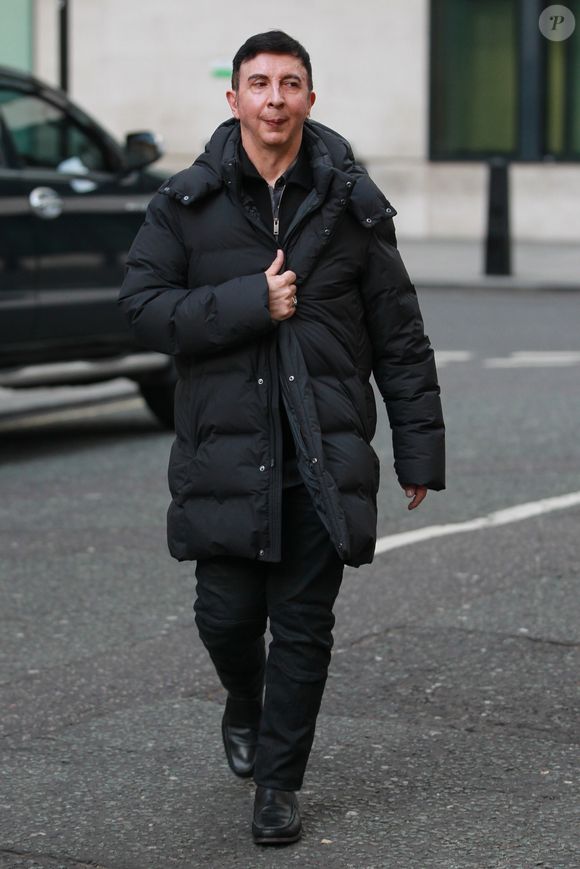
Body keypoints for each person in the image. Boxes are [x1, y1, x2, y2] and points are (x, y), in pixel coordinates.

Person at [119, 30, 445, 845]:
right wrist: (248, 303)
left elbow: (400, 336)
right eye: (259, 83)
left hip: (321, 454)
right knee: (224, 616)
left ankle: (278, 782)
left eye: (289, 83)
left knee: (303, 626)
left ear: (310, 98)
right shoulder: (185, 205)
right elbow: (141, 308)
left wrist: (418, 449)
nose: (274, 98)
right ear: (233, 99)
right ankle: (244, 698)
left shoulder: (352, 207)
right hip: (225, 454)